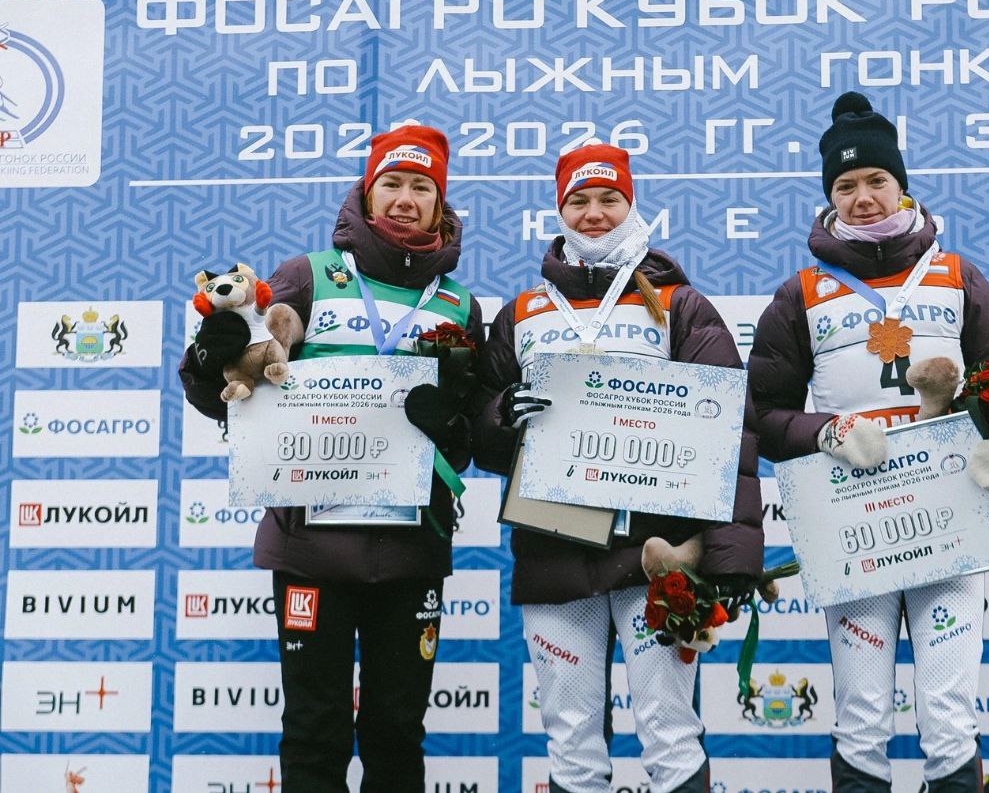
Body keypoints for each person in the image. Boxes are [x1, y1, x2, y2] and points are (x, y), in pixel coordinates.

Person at [747, 93, 989, 793]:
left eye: (875, 180)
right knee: (860, 710)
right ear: (829, 197)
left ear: (902, 185)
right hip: (855, 525)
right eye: (844, 186)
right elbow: (762, 415)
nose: (861, 197)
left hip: (952, 520)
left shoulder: (958, 274)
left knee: (947, 710)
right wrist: (828, 429)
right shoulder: (801, 293)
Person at [179, 125, 485, 793]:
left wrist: (455, 422)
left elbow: (470, 436)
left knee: (396, 730)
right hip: (313, 543)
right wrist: (208, 357)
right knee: (315, 729)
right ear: (367, 194)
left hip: (412, 546)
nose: (405, 199)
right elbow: (235, 385)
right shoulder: (310, 274)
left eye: (421, 188)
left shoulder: (460, 305)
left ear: (440, 204)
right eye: (392, 184)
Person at [473, 143, 763, 793]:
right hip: (554, 544)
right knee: (570, 732)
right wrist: (499, 415)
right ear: (559, 210)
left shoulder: (678, 304)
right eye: (580, 200)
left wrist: (732, 552)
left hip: (653, 550)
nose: (595, 213)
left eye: (610, 199)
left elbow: (730, 431)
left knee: (668, 725)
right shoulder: (523, 313)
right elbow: (477, 436)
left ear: (632, 206)